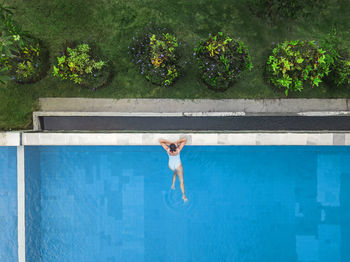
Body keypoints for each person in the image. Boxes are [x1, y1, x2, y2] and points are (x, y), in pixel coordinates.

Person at [159, 137, 188, 202]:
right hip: (178, 166)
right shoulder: (178, 150)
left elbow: (160, 141)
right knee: (181, 181)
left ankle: (173, 184)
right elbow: (185, 139)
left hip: (171, 166)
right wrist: (177, 142)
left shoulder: (168, 150)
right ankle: (183, 195)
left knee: (175, 173)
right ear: (176, 148)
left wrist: (170, 143)